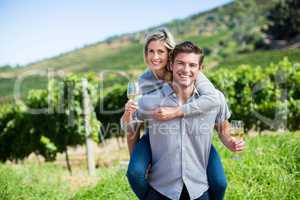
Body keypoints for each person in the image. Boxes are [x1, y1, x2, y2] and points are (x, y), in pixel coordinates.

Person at [125, 41, 245, 200]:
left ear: (200, 69)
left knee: (220, 183)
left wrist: (230, 142)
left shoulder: (215, 99)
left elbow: (223, 127)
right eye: (180, 63)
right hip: (161, 190)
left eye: (192, 65)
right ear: (171, 66)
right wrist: (127, 117)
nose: (186, 70)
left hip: (199, 188)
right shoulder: (150, 101)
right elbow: (130, 125)